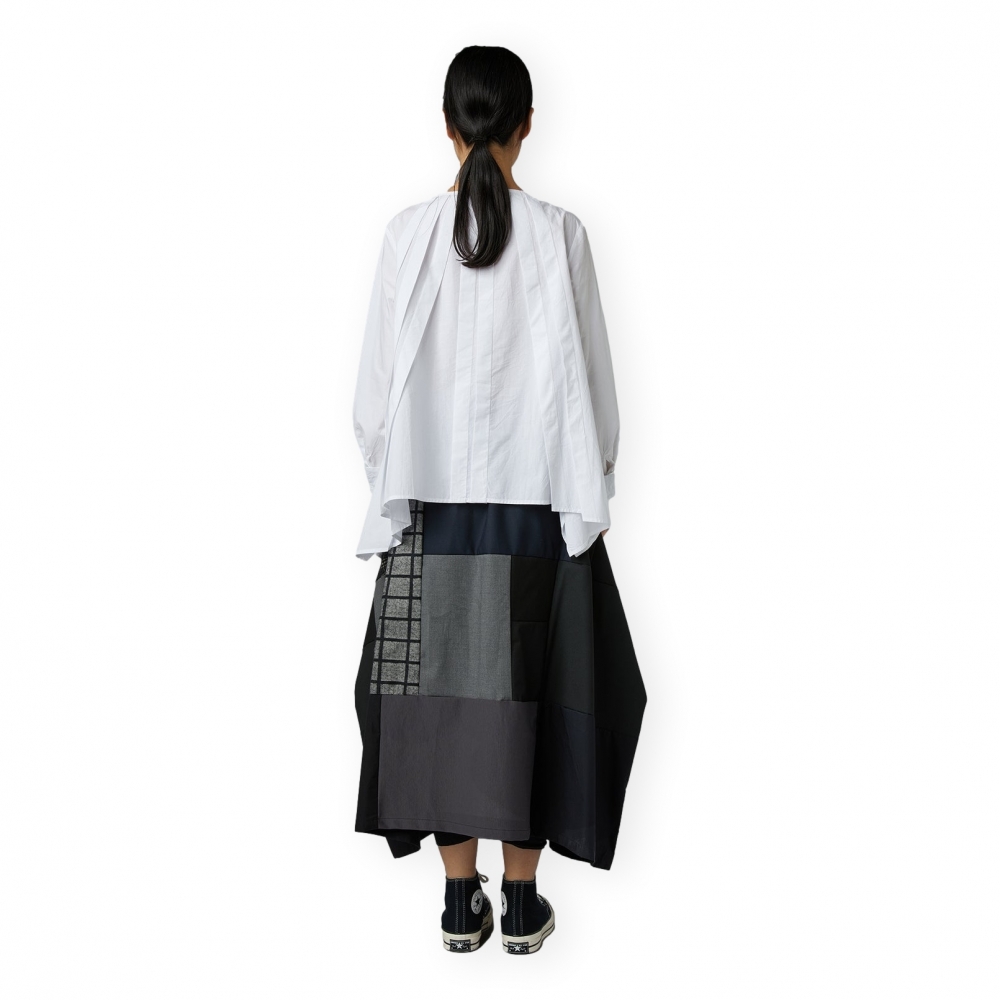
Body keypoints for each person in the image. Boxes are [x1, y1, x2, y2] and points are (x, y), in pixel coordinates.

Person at [351, 45, 647, 955]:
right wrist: (593, 481)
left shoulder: (407, 235)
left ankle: (457, 900)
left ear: (448, 126)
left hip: (429, 510)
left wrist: (393, 484)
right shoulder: (560, 234)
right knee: (539, 694)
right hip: (542, 509)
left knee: (438, 700)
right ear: (525, 126)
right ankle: (520, 901)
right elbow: (595, 391)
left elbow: (373, 403)